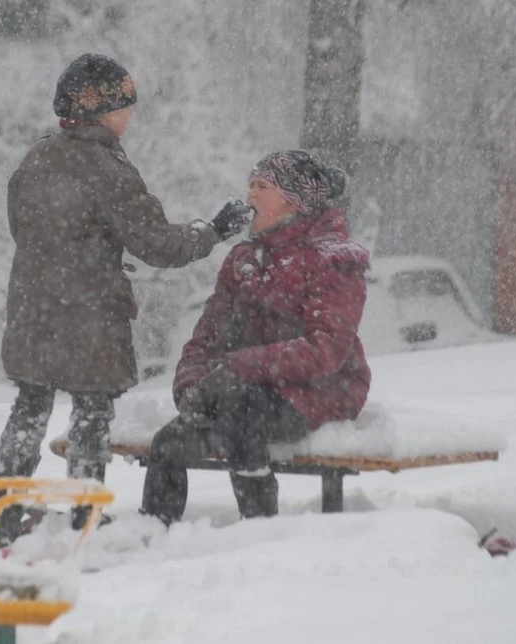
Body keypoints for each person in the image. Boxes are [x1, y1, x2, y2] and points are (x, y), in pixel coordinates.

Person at [0, 53, 253, 545]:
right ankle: (84, 514)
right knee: (91, 414)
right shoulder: (107, 168)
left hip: (31, 306)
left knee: (29, 408)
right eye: (125, 106)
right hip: (90, 314)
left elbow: (21, 227)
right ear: (102, 109)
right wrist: (214, 230)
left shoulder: (36, 158)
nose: (130, 116)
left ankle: (6, 511)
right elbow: (157, 244)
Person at [140, 150, 372, 524]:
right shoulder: (243, 259)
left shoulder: (333, 259)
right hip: (246, 386)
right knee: (169, 441)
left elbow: (325, 350)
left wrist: (239, 367)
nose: (250, 194)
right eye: (250, 184)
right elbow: (206, 336)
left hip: (323, 388)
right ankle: (152, 532)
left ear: (293, 200)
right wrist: (191, 386)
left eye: (262, 186)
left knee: (242, 413)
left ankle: (259, 528)